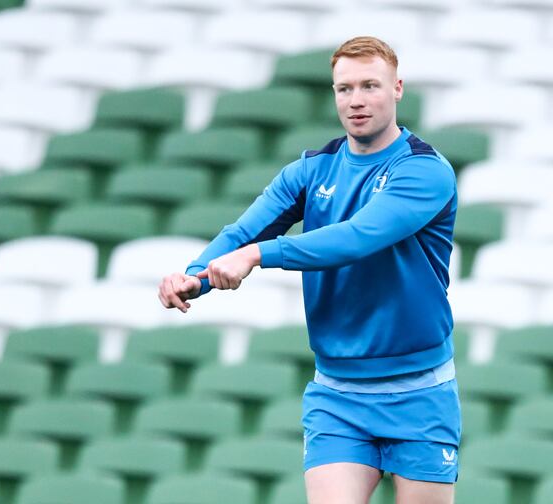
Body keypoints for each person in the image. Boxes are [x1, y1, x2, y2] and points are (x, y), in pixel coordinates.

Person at [157, 36, 460, 504]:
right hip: (337, 394)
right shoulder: (310, 170)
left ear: (397, 88)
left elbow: (358, 237)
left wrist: (260, 256)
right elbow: (243, 232)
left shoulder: (425, 171)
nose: (356, 100)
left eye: (370, 86)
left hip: (420, 392)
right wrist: (195, 277)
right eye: (344, 89)